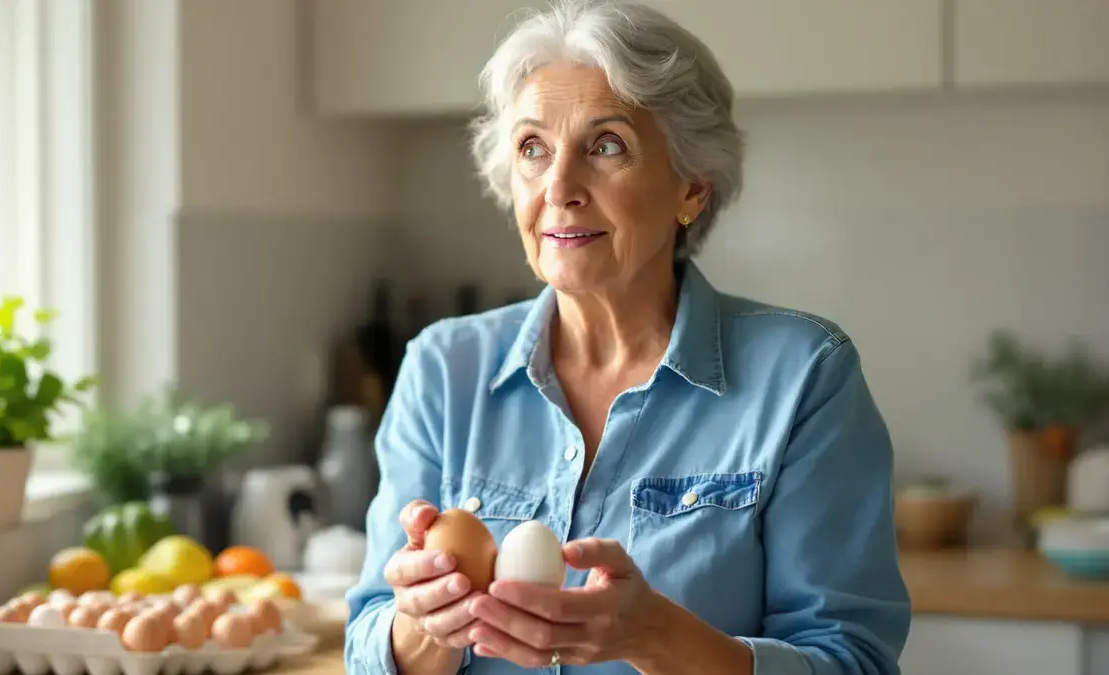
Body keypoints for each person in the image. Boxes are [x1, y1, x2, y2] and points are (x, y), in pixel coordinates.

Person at [344, 0, 911, 673]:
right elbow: (367, 642)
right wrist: (426, 626)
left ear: (692, 188)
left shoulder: (805, 377)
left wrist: (657, 638)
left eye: (606, 145)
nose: (559, 187)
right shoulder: (442, 367)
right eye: (533, 149)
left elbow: (853, 660)